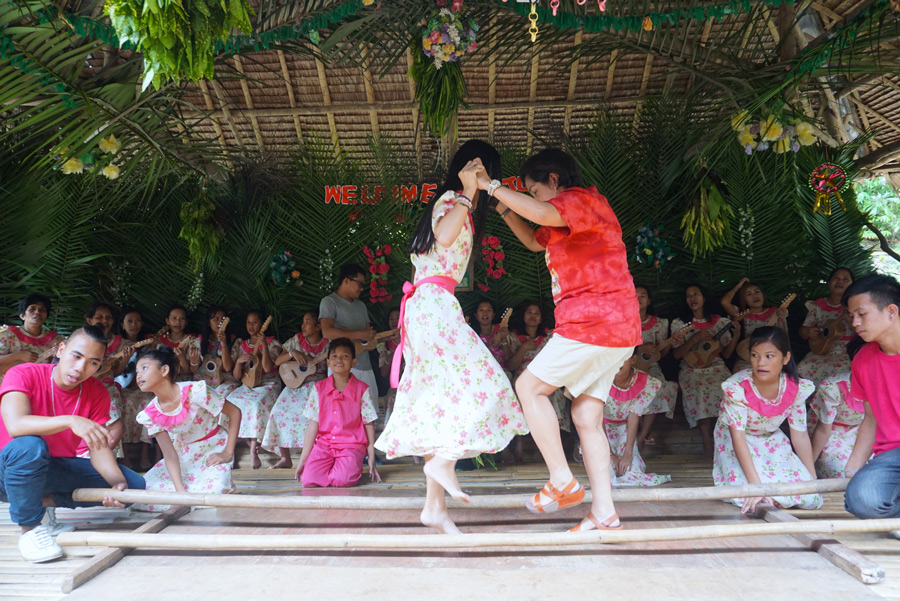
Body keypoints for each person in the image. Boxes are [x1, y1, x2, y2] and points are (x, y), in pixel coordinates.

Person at [470, 147, 641, 532]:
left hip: (593, 322)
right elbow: (535, 241)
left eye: (533, 191)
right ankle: (604, 512)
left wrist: (491, 186)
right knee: (585, 416)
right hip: (616, 328)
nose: (533, 199)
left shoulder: (582, 200)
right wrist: (502, 207)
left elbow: (545, 213)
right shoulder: (573, 215)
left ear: (553, 180)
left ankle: (562, 481)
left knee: (528, 387)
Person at [375, 140, 527, 535]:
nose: (488, 180)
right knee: (491, 384)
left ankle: (434, 506)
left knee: (436, 400)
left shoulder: (455, 204)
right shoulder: (453, 199)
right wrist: (468, 190)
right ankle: (445, 461)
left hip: (430, 306)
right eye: (486, 171)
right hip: (433, 307)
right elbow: (443, 239)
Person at [0, 326, 145, 562]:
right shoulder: (23, 373)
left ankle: (43, 501)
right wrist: (70, 420)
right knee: (30, 446)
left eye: (92, 363)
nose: (80, 368)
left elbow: (99, 449)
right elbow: (16, 425)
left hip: (53, 468)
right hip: (9, 470)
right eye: (76, 356)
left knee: (133, 486)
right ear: (61, 349)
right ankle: (30, 529)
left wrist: (116, 484)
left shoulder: (98, 393)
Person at [712, 327, 822, 513]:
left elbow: (800, 436)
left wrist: (813, 481)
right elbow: (737, 437)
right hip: (736, 440)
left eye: (769, 356)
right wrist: (756, 486)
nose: (760, 362)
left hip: (771, 438)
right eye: (755, 355)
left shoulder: (795, 388)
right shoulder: (737, 387)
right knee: (749, 497)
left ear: (785, 358)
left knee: (808, 497)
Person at [134, 347, 241, 512]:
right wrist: (180, 492)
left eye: (144, 368)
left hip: (213, 449)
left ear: (164, 370)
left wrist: (227, 452)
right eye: (136, 371)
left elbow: (235, 413)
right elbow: (169, 455)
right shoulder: (150, 413)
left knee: (215, 491)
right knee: (143, 493)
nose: (138, 375)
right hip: (182, 455)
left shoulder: (195, 391)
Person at [839, 275, 900, 519]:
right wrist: (854, 469)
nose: (855, 322)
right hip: (892, 455)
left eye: (861, 314)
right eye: (852, 315)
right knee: (862, 500)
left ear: (891, 311)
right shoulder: (863, 359)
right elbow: (871, 418)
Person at [294, 338, 380, 488]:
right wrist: (303, 459)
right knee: (308, 480)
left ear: (354, 361)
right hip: (324, 445)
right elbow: (313, 424)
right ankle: (337, 471)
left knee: (342, 480)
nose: (339, 360)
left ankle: (344, 470)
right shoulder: (318, 389)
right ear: (327, 362)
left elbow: (368, 422)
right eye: (334, 356)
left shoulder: (362, 389)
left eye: (345, 356)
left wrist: (371, 454)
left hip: (351, 445)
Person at [671, 285, 739, 457]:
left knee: (727, 387)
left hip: (715, 365)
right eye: (688, 295)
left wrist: (736, 336)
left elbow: (727, 353)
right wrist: (694, 338)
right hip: (691, 368)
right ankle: (706, 437)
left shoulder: (720, 322)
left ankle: (725, 435)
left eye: (696, 294)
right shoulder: (680, 324)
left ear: (704, 297)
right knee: (700, 388)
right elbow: (677, 354)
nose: (692, 298)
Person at [263, 309, 329, 469]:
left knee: (311, 417)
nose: (303, 325)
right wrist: (293, 353)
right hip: (296, 385)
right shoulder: (295, 341)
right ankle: (285, 458)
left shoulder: (328, 344)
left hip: (317, 386)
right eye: (303, 322)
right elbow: (278, 361)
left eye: (308, 322)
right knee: (278, 412)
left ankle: (313, 457)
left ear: (318, 326)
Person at [506, 302, 570, 462]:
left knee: (555, 394)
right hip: (522, 378)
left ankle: (555, 446)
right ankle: (520, 442)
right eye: (529, 312)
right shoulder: (512, 337)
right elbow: (511, 365)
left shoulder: (551, 337)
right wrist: (524, 348)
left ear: (541, 318)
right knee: (519, 391)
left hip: (547, 377)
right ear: (523, 315)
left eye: (536, 313)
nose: (533, 316)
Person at [225, 310, 282, 469]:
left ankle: (252, 450)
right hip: (248, 385)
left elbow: (268, 367)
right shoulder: (240, 345)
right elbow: (237, 376)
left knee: (256, 404)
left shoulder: (272, 342)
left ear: (263, 324)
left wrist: (263, 345)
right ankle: (240, 446)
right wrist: (239, 363)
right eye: (249, 322)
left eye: (255, 322)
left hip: (268, 383)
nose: (251, 325)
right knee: (231, 403)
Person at [604, 354, 671, 487]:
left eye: (622, 357)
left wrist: (628, 453)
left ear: (633, 359)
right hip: (600, 430)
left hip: (625, 430)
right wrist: (609, 454)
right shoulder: (599, 378)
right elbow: (595, 418)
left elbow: (634, 416)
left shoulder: (645, 382)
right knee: (606, 473)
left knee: (630, 472)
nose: (617, 362)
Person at [320, 264, 379, 397]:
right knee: (343, 412)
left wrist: (386, 336)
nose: (362, 288)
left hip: (365, 365)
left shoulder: (361, 305)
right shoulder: (329, 302)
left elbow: (367, 336)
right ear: (346, 280)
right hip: (341, 367)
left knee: (369, 412)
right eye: (359, 283)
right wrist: (359, 334)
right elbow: (327, 332)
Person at [634, 285, 678, 450]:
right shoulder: (622, 323)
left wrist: (669, 344)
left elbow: (661, 353)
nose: (639, 299)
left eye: (643, 295)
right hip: (628, 367)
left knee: (658, 386)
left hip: (651, 367)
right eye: (635, 295)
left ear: (649, 301)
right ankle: (645, 431)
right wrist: (638, 349)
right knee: (631, 389)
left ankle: (641, 436)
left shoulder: (659, 324)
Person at [798, 267, 855, 385]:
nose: (840, 281)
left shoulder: (855, 305)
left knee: (840, 371)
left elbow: (867, 334)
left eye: (845, 279)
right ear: (829, 283)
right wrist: (808, 331)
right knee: (803, 368)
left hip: (847, 352)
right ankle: (810, 401)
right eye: (836, 278)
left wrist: (851, 323)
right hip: (821, 351)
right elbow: (803, 332)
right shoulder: (817, 306)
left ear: (852, 285)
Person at [721, 277, 789, 372]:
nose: (755, 296)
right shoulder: (742, 315)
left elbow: (784, 338)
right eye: (749, 294)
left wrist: (781, 320)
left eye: (757, 292)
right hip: (749, 358)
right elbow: (724, 302)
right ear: (745, 300)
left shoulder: (775, 312)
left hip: (772, 355)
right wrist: (739, 286)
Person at [0, 294, 65, 383]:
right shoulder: (7, 334)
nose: (37, 312)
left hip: (39, 388)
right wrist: (19, 356)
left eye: (42, 309)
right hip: (7, 386)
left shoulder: (55, 339)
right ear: (22, 315)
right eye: (32, 309)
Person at [196, 305, 239, 398]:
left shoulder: (234, 340)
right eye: (216, 319)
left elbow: (228, 368)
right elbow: (194, 367)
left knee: (219, 397)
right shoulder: (199, 340)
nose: (220, 322)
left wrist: (224, 344)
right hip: (205, 378)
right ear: (208, 322)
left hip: (225, 380)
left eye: (223, 320)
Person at [158, 304, 202, 381]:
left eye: (182, 318)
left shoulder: (192, 341)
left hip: (184, 381)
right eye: (174, 318)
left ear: (186, 322)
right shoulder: (160, 341)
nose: (178, 322)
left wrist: (182, 358)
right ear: (167, 321)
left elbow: (189, 370)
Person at [376, 307, 401, 425]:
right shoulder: (384, 344)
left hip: (414, 383)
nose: (394, 320)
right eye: (391, 318)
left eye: (397, 317)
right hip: (396, 387)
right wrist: (389, 360)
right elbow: (384, 373)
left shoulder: (413, 339)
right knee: (393, 397)